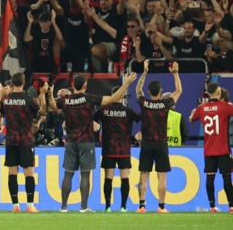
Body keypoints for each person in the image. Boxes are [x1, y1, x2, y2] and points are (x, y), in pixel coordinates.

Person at [55, 72, 136, 212]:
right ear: (85, 85)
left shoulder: (65, 100)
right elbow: (114, 98)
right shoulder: (89, 98)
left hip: (70, 141)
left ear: (73, 85)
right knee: (85, 174)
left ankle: (63, 207)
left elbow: (53, 105)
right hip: (86, 141)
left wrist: (48, 92)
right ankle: (84, 207)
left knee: (68, 173)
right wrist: (127, 83)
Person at [135, 62, 182, 213]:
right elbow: (179, 91)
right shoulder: (165, 104)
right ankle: (161, 207)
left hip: (147, 143)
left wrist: (144, 72)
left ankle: (142, 206)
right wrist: (175, 73)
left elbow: (137, 89)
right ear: (161, 91)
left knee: (144, 175)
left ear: (149, 91)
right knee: (162, 176)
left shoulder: (144, 103)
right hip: (161, 143)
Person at [0, 72, 48, 212]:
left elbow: (2, 113)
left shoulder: (6, 99)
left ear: (12, 83)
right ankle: (30, 205)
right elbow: (43, 112)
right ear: (24, 81)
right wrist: (42, 95)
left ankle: (15, 206)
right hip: (26, 140)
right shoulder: (28, 99)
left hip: (11, 140)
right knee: (29, 172)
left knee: (12, 172)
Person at [94, 84, 141, 212]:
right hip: (124, 149)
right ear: (123, 96)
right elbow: (142, 119)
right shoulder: (128, 111)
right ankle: (123, 207)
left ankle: (108, 206)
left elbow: (91, 118)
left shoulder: (104, 110)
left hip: (108, 149)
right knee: (124, 178)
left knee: (108, 178)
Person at [189, 82, 233, 213]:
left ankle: (212, 206)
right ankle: (231, 206)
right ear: (219, 93)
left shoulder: (202, 108)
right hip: (223, 149)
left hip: (209, 150)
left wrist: (193, 114)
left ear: (208, 93)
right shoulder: (226, 107)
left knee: (210, 178)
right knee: (226, 177)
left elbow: (191, 119)